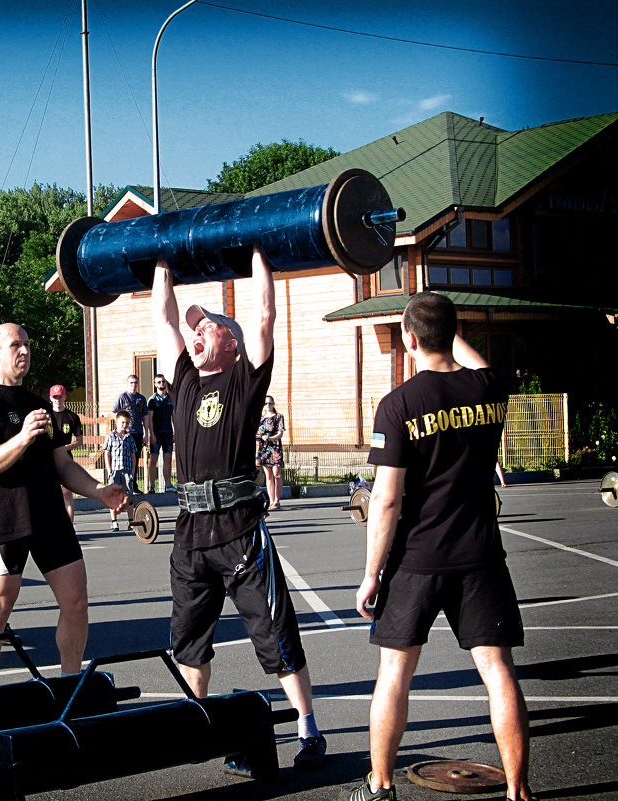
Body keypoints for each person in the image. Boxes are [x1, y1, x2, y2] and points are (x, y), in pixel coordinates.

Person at [344, 292, 534, 801]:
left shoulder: (400, 404)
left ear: (408, 339)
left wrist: (370, 574)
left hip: (417, 560)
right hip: (480, 555)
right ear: (451, 335)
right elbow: (480, 365)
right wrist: (452, 336)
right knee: (498, 671)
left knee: (394, 674)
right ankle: (517, 789)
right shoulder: (489, 387)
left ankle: (380, 785)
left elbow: (386, 499)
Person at [151, 246, 327, 774]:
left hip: (239, 531)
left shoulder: (245, 380)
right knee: (188, 642)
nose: (195, 332)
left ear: (231, 341)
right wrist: (163, 255)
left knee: (275, 635)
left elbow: (265, 313)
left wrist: (258, 249)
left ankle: (307, 730)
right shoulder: (182, 379)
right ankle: (198, 724)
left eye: (206, 327)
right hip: (189, 536)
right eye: (195, 329)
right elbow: (162, 315)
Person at [0, 323, 128, 687]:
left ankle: (70, 684)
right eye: (15, 345)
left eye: (27, 344)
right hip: (6, 519)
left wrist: (100, 491)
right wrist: (21, 438)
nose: (24, 351)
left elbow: (62, 465)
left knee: (76, 602)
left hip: (50, 517)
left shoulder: (39, 405)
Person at [49, 384, 84, 522]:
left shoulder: (72, 417)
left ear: (65, 397)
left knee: (67, 493)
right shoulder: (46, 415)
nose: (58, 399)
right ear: (51, 398)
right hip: (48, 459)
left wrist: (64, 448)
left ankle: (70, 525)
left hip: (65, 459)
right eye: (55, 397)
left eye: (60, 397)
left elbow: (80, 441)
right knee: (50, 494)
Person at [112, 374, 148, 489]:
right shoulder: (122, 397)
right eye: (131, 383)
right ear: (128, 384)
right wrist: (119, 430)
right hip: (126, 433)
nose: (133, 385)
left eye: (135, 383)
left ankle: (133, 484)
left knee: (135, 459)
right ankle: (121, 484)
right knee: (123, 458)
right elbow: (115, 414)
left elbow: (145, 416)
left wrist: (147, 433)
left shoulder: (141, 399)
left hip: (137, 432)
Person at [103, 410, 137, 531]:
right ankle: (114, 522)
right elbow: (106, 453)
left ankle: (131, 521)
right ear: (117, 422)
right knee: (113, 495)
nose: (125, 425)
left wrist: (133, 471)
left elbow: (133, 455)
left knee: (129, 495)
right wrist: (109, 469)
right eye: (122, 422)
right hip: (115, 471)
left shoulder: (129, 438)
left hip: (126, 471)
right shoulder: (111, 437)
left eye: (127, 423)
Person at [255, 395, 286, 511]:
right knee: (268, 475)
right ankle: (272, 500)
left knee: (277, 473)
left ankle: (277, 500)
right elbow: (257, 434)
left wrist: (270, 438)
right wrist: (261, 437)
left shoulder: (279, 417)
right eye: (266, 403)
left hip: (275, 447)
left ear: (274, 404)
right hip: (264, 448)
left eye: (270, 403)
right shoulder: (261, 418)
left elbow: (280, 433)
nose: (268, 405)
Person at [146, 373, 175, 493]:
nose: (161, 384)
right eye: (159, 382)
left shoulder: (170, 399)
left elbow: (174, 416)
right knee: (153, 460)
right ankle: (152, 485)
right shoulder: (152, 400)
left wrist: (175, 432)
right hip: (156, 434)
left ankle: (168, 485)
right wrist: (151, 434)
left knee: (168, 459)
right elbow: (150, 418)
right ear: (155, 384)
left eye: (163, 382)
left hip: (168, 434)